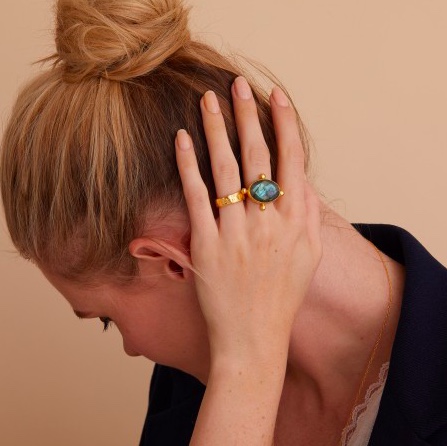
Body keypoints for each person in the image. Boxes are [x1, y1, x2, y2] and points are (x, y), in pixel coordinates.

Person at [1, 0, 446, 445]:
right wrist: (246, 364)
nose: (131, 349)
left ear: (171, 262)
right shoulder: (188, 387)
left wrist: (243, 362)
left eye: (107, 319)